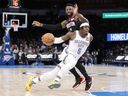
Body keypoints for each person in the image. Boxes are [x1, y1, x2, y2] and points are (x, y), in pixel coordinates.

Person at [32, 3, 92, 90]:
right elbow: (54, 27)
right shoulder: (66, 22)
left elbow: (86, 23)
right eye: (67, 9)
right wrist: (41, 24)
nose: (68, 11)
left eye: (70, 9)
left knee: (74, 61)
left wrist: (77, 14)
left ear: (73, 9)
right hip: (73, 42)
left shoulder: (78, 17)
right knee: (65, 59)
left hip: (82, 41)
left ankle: (87, 78)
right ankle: (78, 77)